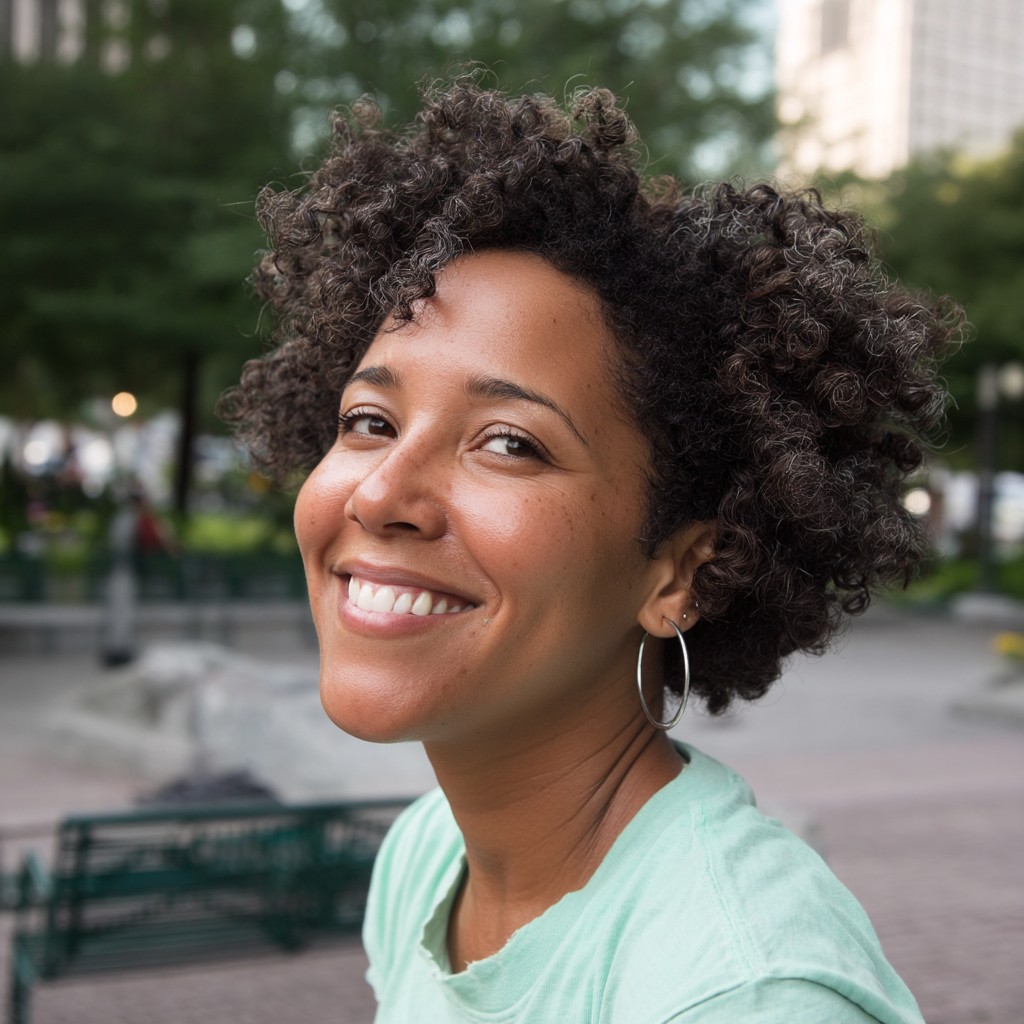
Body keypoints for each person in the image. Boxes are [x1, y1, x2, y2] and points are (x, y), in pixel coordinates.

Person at [222, 82, 958, 1022]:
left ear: (681, 573)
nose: (377, 494)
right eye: (370, 421)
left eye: (508, 443)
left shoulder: (743, 994)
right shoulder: (428, 859)